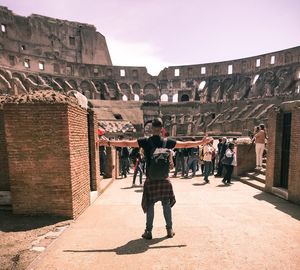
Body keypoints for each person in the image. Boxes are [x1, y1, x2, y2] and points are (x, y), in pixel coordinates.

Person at [101, 117, 210, 240]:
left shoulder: (145, 141)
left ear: (152, 129)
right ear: (162, 129)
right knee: (166, 204)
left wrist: (108, 142)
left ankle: (148, 231)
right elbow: (185, 145)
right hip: (164, 179)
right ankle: (169, 230)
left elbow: (126, 143)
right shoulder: (167, 142)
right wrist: (202, 142)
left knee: (150, 205)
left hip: (151, 179)